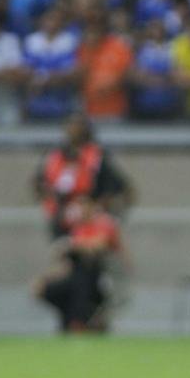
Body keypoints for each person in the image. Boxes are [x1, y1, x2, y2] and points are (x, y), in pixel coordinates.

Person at [33, 195, 126, 332]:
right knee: (52, 289)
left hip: (103, 276)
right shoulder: (79, 228)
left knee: (81, 282)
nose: (80, 209)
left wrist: (71, 244)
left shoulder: (103, 223)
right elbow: (68, 262)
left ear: (93, 206)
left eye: (83, 205)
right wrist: (47, 277)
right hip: (78, 276)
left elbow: (97, 247)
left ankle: (80, 321)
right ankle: (72, 320)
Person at [33, 113, 133, 239]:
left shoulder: (97, 155)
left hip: (91, 209)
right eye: (71, 124)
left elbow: (114, 185)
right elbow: (40, 183)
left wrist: (95, 206)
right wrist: (49, 197)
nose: (74, 129)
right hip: (61, 210)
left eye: (78, 125)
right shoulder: (54, 156)